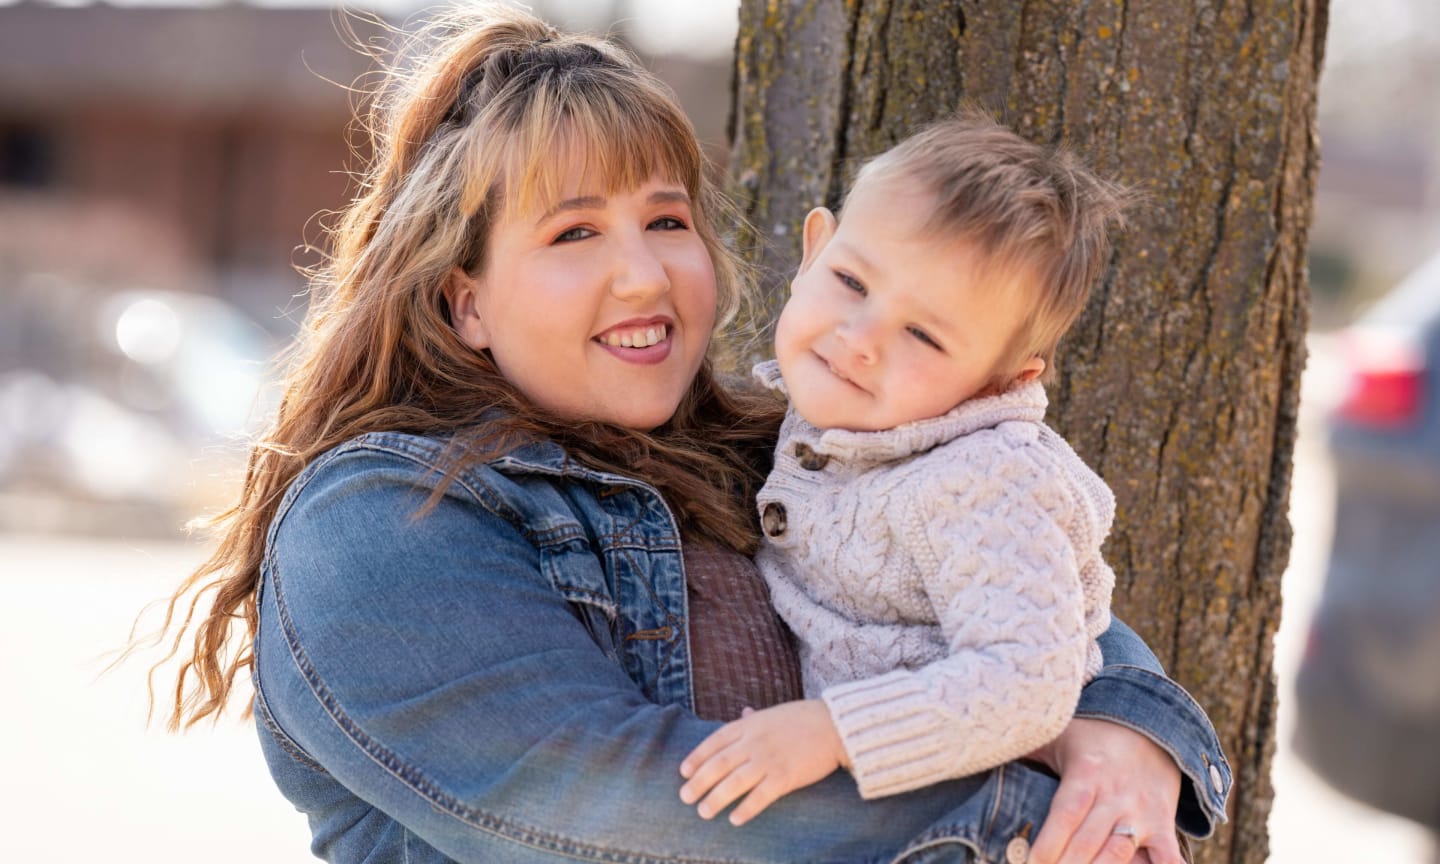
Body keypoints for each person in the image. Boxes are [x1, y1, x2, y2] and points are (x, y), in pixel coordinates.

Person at [151, 5, 1230, 863]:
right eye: (574, 231)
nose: (645, 272)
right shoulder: (379, 524)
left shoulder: (803, 452)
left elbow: (1040, 595)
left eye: (667, 220)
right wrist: (1025, 821)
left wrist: (1125, 745)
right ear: (462, 300)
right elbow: (633, 823)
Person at [678, 114, 1124, 822]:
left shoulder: (980, 481)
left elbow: (1028, 680)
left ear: (998, 383)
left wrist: (834, 733)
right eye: (852, 281)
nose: (861, 342)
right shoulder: (828, 422)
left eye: (922, 333)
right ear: (813, 252)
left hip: (970, 819)